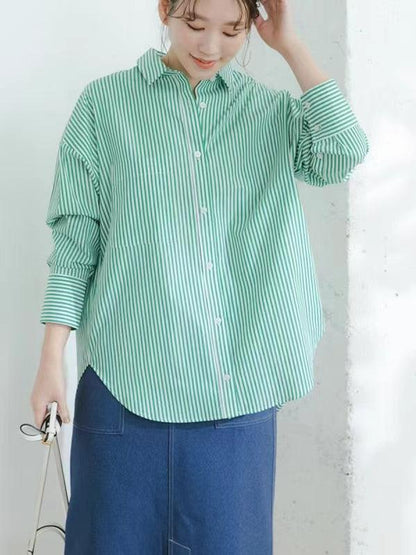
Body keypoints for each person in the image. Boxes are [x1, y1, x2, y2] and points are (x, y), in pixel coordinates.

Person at [30, 0, 370, 553]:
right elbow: (75, 244)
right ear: (165, 10)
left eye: (233, 30)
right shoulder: (104, 106)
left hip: (238, 391)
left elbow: (343, 151)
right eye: (194, 25)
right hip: (124, 384)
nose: (211, 47)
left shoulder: (270, 112)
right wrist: (51, 360)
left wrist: (290, 45)